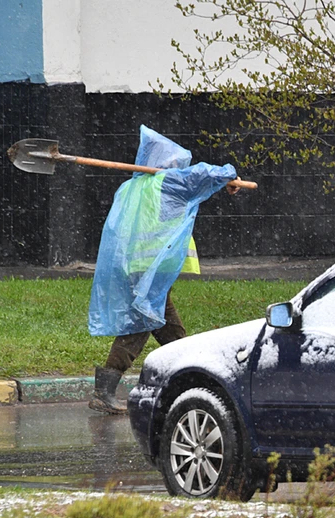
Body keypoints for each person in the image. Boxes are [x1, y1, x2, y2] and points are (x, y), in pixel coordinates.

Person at [87, 125, 240, 414]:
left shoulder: (134, 185)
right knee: (143, 322)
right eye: (172, 162)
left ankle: (190, 380)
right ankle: (107, 389)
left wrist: (225, 181)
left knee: (166, 326)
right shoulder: (167, 183)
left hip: (138, 266)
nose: (176, 167)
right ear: (161, 163)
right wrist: (230, 175)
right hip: (152, 269)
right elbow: (206, 174)